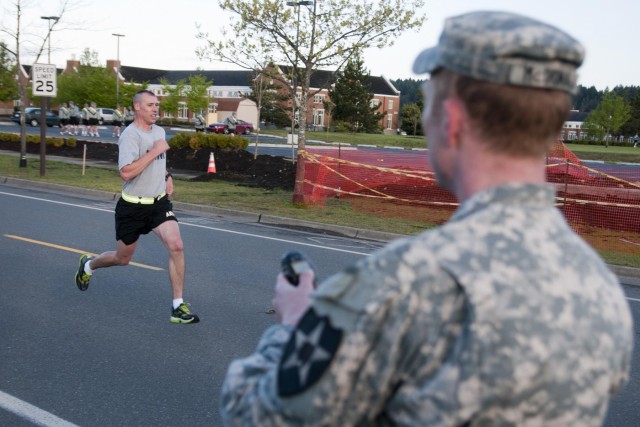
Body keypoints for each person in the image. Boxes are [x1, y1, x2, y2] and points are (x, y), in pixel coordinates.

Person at [220, 11, 633, 426]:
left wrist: (293, 328)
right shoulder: (603, 293)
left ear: (452, 122)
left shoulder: (399, 284)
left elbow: (255, 414)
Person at [74, 89, 199, 325]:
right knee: (122, 258)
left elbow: (160, 162)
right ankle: (89, 264)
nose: (155, 109)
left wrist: (167, 174)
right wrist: (154, 151)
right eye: (150, 104)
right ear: (137, 107)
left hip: (158, 203)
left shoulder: (159, 131)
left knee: (177, 245)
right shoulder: (130, 136)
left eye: (157, 105)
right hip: (132, 207)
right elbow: (126, 172)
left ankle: (177, 306)